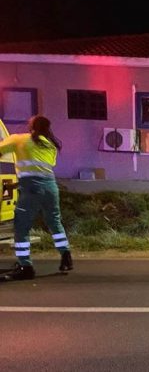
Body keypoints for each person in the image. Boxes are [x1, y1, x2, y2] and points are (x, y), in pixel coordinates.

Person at [1, 115, 72, 281]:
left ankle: (26, 266)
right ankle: (66, 254)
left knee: (21, 227)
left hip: (31, 188)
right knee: (54, 222)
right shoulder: (50, 145)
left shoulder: (18, 140)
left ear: (31, 125)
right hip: (50, 187)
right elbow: (40, 168)